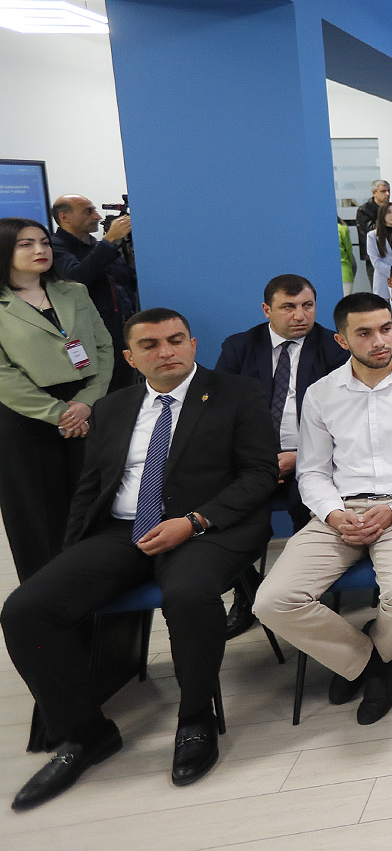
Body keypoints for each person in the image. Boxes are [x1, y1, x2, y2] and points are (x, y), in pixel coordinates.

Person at [2, 309, 278, 807]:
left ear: (193, 344)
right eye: (150, 345)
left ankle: (195, 719)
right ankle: (85, 733)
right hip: (123, 530)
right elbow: (91, 487)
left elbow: (259, 475)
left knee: (188, 593)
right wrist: (72, 555)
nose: (166, 351)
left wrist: (193, 521)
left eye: (176, 340)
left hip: (205, 528)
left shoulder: (237, 393)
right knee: (25, 610)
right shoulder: (113, 407)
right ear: (130, 358)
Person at [252, 293, 392, 727]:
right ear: (342, 340)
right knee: (271, 602)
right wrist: (333, 514)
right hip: (340, 510)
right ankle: (372, 661)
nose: (379, 341)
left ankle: (377, 650)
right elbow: (311, 472)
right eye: (364, 333)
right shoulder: (322, 393)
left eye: (385, 329)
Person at [213, 273, 352, 632]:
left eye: (308, 306)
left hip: (316, 459)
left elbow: (349, 419)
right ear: (267, 310)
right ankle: (246, 591)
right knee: (218, 508)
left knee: (307, 506)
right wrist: (258, 461)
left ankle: (309, 592)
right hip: (254, 461)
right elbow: (220, 412)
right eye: (288, 307)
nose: (300, 315)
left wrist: (300, 457)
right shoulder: (240, 347)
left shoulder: (334, 348)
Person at [0, 217, 115, 580]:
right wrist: (59, 414)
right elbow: (3, 374)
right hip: (26, 416)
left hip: (86, 406)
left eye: (45, 242)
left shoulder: (73, 291)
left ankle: (101, 584)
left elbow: (104, 347)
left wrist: (86, 402)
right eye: (26, 244)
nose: (40, 250)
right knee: (37, 513)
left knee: (93, 503)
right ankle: (45, 592)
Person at [49, 194, 138, 386]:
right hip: (94, 337)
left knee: (127, 389)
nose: (97, 216)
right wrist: (110, 239)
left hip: (124, 331)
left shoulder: (97, 247)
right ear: (65, 217)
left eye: (95, 211)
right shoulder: (55, 248)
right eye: (88, 212)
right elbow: (77, 278)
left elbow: (127, 280)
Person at [366, 202, 392, 300]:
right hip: (383, 279)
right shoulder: (372, 236)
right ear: (382, 214)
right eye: (389, 212)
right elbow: (376, 262)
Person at [355, 180, 390, 273]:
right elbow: (371, 230)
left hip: (390, 253)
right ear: (374, 193)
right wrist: (383, 214)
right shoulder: (364, 210)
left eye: (388, 191)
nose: (387, 194)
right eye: (383, 191)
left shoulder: (390, 208)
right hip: (374, 255)